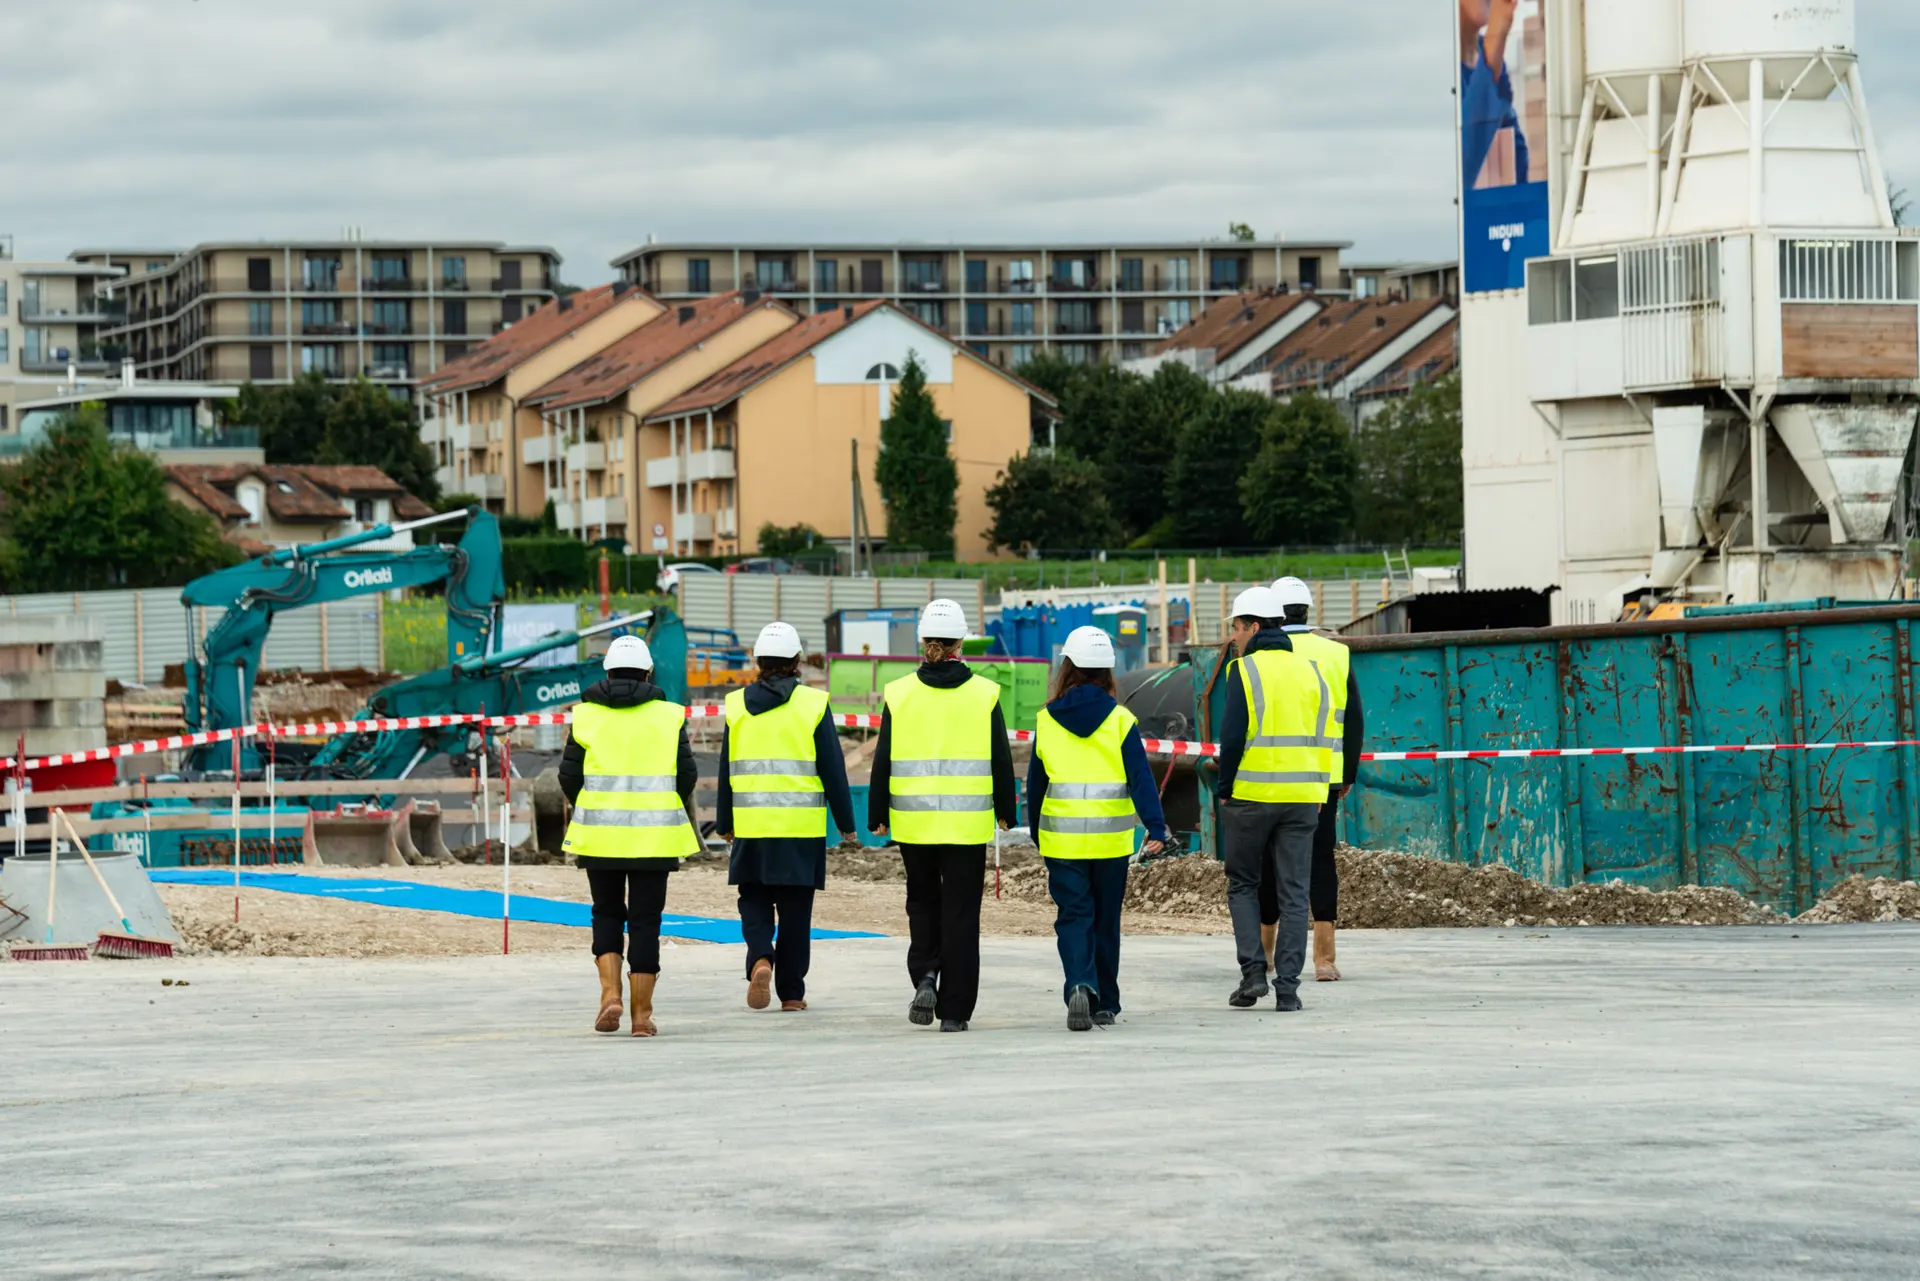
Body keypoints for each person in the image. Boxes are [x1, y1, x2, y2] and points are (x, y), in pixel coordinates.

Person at [868, 598, 1018, 1032]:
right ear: (961, 641)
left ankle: (926, 974)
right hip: (967, 826)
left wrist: (879, 813)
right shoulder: (985, 693)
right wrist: (1006, 812)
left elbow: (883, 758)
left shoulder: (898, 692)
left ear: (924, 641)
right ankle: (954, 1011)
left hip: (914, 825)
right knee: (961, 914)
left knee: (922, 904)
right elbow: (1001, 759)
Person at [558, 633, 700, 1038]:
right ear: (648, 671)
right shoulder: (669, 716)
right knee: (645, 921)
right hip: (654, 839)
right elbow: (686, 774)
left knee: (605, 912)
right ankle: (641, 1016)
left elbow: (569, 776)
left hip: (600, 837)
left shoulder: (584, 716)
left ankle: (610, 996)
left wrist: (594, 804)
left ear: (606, 671)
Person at [1027, 626, 1168, 1031]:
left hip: (1062, 839)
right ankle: (1105, 1003)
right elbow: (1140, 779)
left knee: (1074, 915)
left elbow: (1036, 785)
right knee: (1106, 919)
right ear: (1107, 671)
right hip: (1110, 840)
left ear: (1066, 668)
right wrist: (1156, 827)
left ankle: (1079, 984)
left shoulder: (1046, 720)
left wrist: (1038, 833)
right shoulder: (1121, 720)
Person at [715, 621, 857, 1013]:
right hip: (799, 829)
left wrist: (724, 821)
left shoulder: (736, 704)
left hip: (751, 826)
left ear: (758, 660)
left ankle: (761, 955)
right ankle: (791, 993)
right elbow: (832, 767)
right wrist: (846, 822)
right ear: (796, 660)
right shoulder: (812, 704)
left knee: (753, 898)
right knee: (796, 912)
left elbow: (727, 768)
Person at [1212, 585, 1331, 1012]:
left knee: (1243, 884)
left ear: (1255, 627)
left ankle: (1252, 976)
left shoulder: (1243, 672)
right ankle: (1289, 990)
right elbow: (1327, 736)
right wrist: (1319, 789)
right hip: (1303, 797)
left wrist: (1224, 789)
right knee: (1295, 892)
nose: (1234, 638)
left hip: (1252, 796)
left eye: (1237, 629)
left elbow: (1231, 738)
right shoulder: (1314, 671)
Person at [1257, 576, 1364, 982]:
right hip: (1323, 777)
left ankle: (1266, 953)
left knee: (1269, 860)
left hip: (1267, 777)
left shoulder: (1257, 655)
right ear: (1307, 611)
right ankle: (1324, 959)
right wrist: (1346, 772)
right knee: (1320, 860)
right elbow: (1353, 718)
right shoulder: (1336, 653)